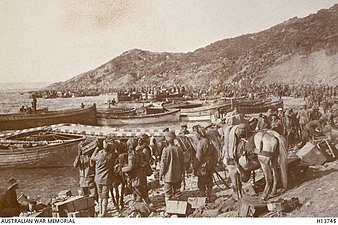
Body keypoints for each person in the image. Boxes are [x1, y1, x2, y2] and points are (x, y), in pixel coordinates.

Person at [90, 139, 116, 217]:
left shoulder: (99, 155)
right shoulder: (112, 156)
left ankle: (101, 211)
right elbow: (115, 152)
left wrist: (97, 148)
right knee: (105, 197)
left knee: (100, 195)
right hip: (107, 179)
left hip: (98, 179)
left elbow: (92, 157)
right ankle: (104, 213)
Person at [192, 125, 217, 202]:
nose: (196, 135)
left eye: (197, 133)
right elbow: (215, 153)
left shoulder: (201, 143)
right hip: (210, 164)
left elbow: (198, 157)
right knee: (209, 182)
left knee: (201, 184)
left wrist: (194, 167)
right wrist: (214, 164)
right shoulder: (209, 141)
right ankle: (209, 198)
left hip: (203, 166)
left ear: (200, 134)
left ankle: (202, 200)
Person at [160, 131, 185, 204]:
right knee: (177, 193)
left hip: (168, 177)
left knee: (168, 194)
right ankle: (178, 209)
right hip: (178, 176)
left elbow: (163, 165)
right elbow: (182, 164)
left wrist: (161, 175)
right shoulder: (179, 149)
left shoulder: (165, 150)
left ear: (167, 139)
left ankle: (169, 210)